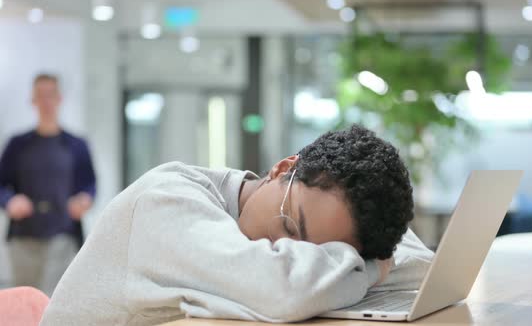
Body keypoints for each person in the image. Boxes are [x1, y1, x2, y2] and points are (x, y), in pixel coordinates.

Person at [41, 125, 433, 325]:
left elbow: (419, 267)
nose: (282, 250)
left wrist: (349, 264)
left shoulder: (278, 214)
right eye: (290, 227)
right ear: (283, 168)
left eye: (321, 255)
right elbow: (283, 289)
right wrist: (364, 269)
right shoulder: (165, 202)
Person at [0, 74, 96, 296]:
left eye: (50, 95)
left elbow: (89, 185)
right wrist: (10, 201)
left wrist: (84, 199)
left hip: (63, 236)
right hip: (24, 237)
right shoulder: (18, 145)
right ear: (33, 100)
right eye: (40, 96)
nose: (46, 101)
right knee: (26, 300)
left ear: (59, 98)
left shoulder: (76, 145)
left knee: (55, 300)